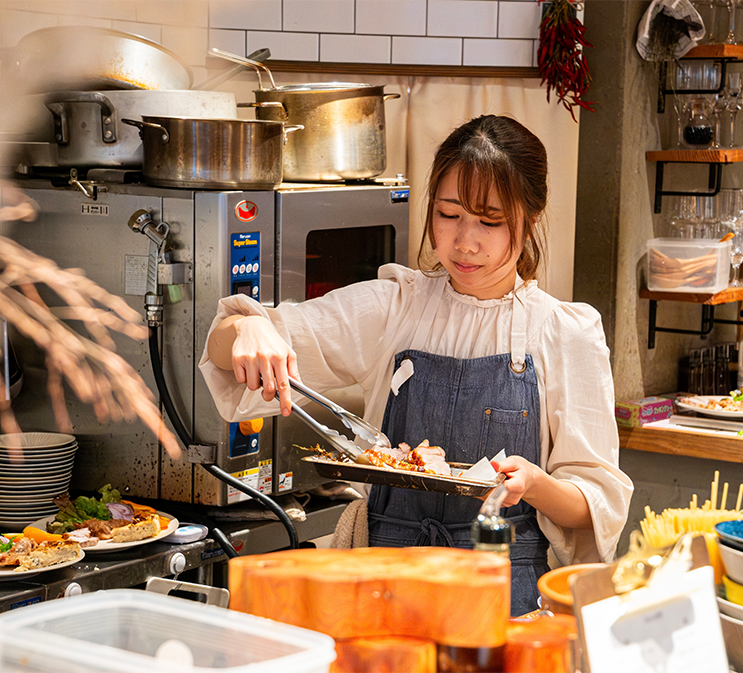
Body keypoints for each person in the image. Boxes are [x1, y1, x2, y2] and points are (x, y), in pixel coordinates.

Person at [200, 115, 633, 616]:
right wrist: (248, 328)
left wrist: (536, 485)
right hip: (384, 586)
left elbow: (594, 504)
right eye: (449, 214)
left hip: (504, 597)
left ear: (530, 218)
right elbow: (225, 349)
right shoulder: (395, 307)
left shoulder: (564, 332)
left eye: (490, 221)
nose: (465, 241)